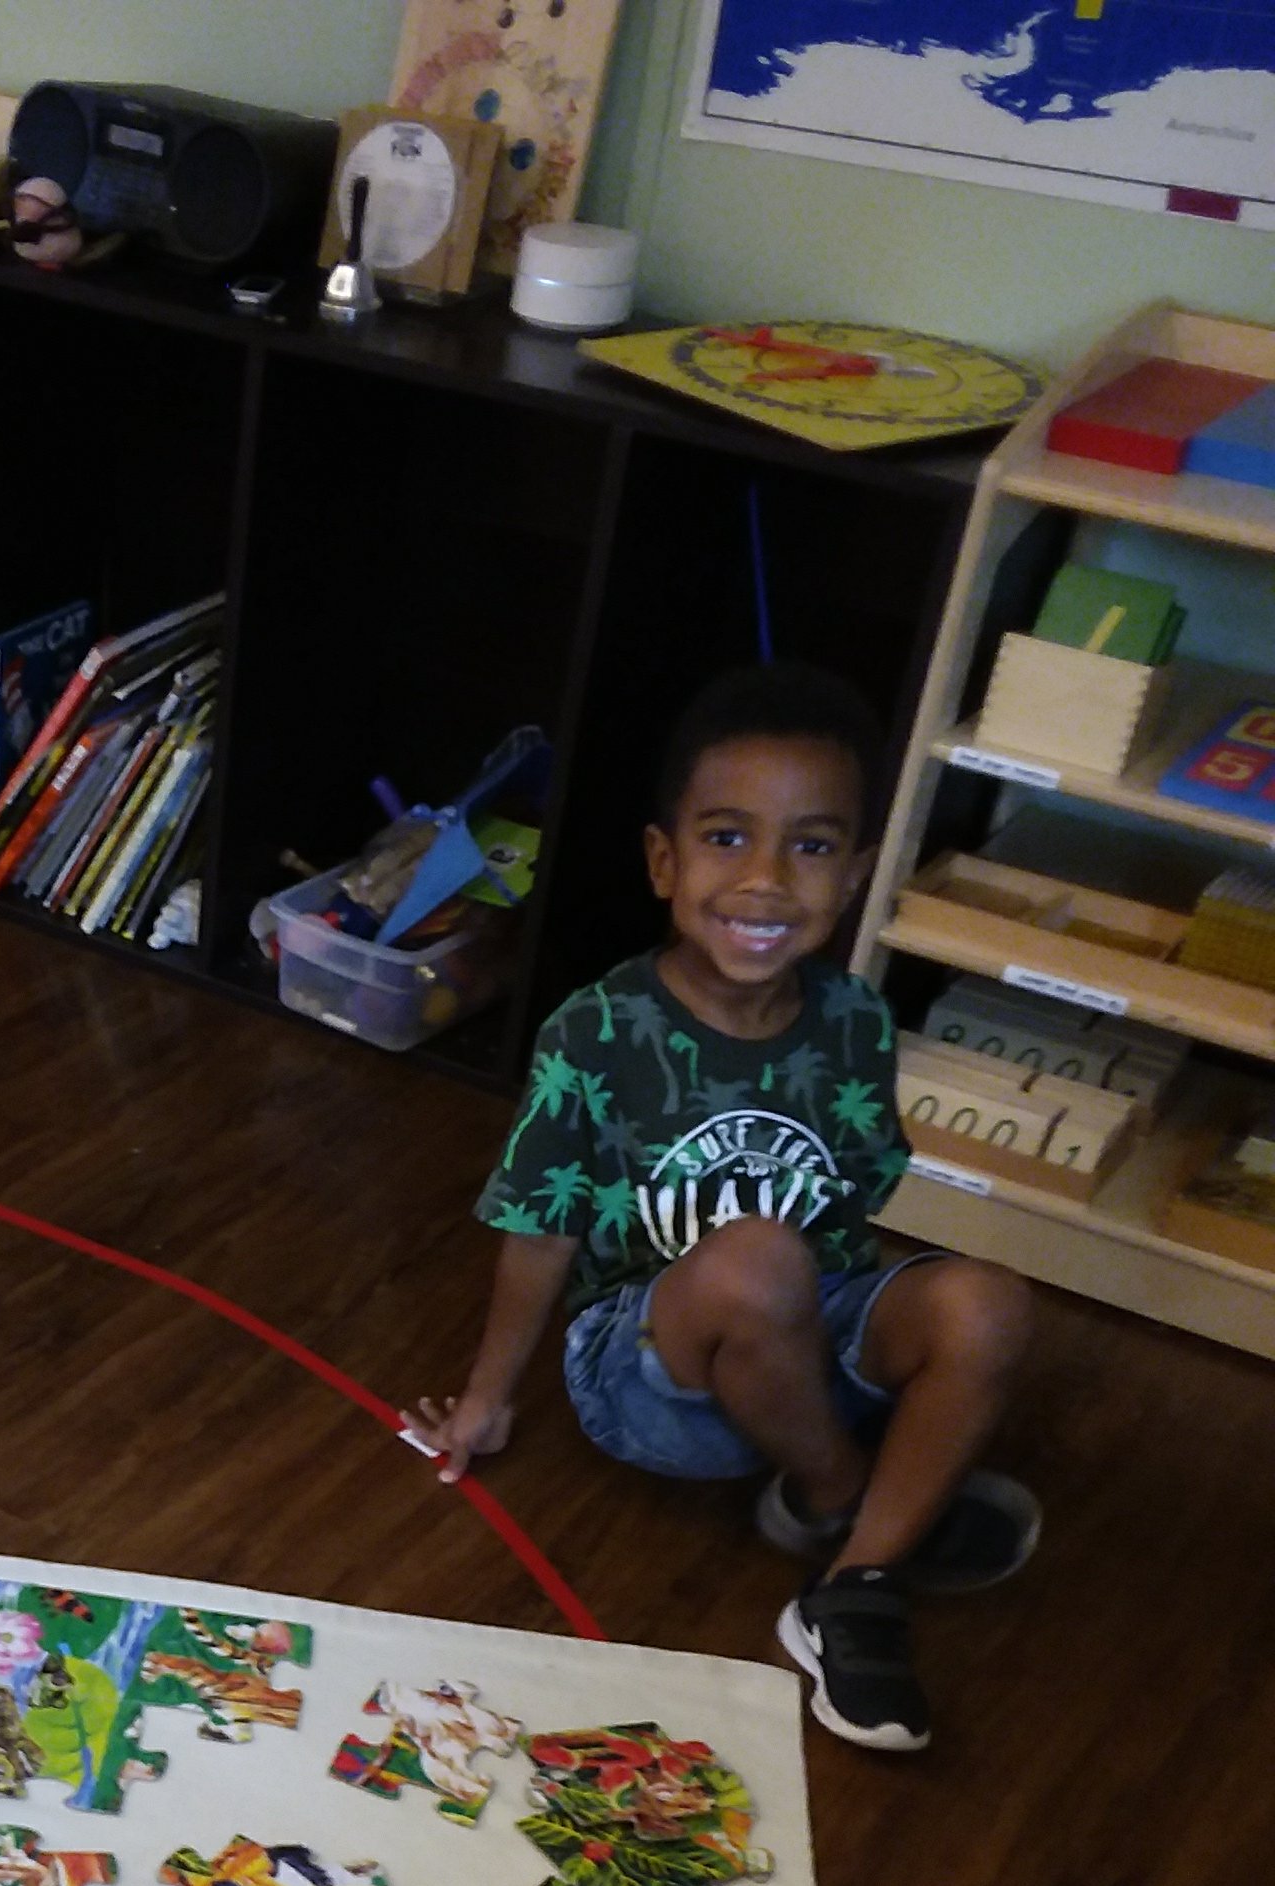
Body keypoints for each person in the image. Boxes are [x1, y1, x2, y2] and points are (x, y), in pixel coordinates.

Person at [410, 662, 1035, 1753]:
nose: (766, 881)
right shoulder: (596, 1031)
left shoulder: (855, 1019)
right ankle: (842, 1490)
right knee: (756, 1261)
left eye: (812, 846)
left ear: (856, 874)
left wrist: (858, 1339)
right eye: (728, 838)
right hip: (643, 1372)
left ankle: (852, 1586)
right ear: (666, 861)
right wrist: (486, 1400)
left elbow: (853, 1206)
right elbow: (542, 1230)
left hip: (802, 1327)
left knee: (988, 1305)